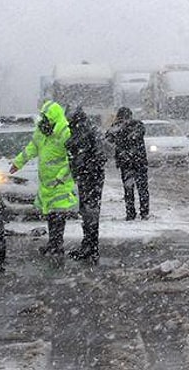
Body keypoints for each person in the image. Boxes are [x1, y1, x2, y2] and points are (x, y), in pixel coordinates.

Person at [10, 100, 78, 256]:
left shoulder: (64, 132)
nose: (43, 121)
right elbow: (31, 148)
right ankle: (52, 244)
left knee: (58, 215)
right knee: (50, 214)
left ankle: (57, 245)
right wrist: (18, 163)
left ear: (53, 118)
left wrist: (61, 177)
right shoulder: (41, 132)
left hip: (60, 183)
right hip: (46, 183)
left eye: (45, 118)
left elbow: (71, 160)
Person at [65, 106, 107, 263]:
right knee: (90, 211)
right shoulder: (90, 129)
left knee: (89, 211)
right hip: (93, 175)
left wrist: (81, 167)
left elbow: (75, 147)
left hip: (89, 175)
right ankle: (89, 245)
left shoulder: (83, 131)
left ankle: (90, 247)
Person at [105, 106, 149, 221]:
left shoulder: (131, 126)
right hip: (138, 162)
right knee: (141, 188)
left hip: (127, 162)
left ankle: (132, 213)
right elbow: (109, 139)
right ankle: (143, 212)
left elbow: (109, 139)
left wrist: (118, 127)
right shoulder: (138, 125)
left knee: (130, 189)